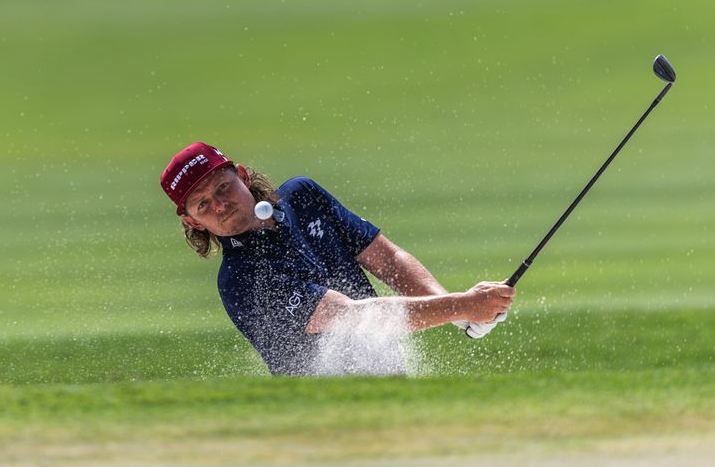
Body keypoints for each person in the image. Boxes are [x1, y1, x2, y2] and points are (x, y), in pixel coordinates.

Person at [160, 142, 514, 376]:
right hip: (329, 411)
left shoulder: (302, 196)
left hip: (389, 377)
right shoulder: (240, 278)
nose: (221, 205)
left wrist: (452, 308)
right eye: (203, 204)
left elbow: (386, 257)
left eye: (222, 187)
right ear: (193, 222)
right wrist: (462, 306)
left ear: (241, 175)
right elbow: (355, 318)